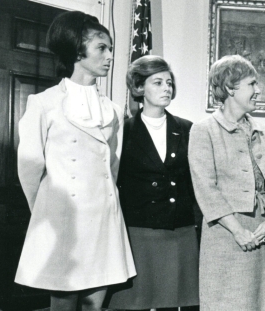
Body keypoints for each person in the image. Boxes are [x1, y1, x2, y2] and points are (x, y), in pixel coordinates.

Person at [15, 11, 135, 311]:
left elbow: (112, 166)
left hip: (104, 219)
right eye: (101, 48)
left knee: (95, 305)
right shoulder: (44, 103)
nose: (109, 56)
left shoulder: (112, 110)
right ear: (77, 51)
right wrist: (49, 213)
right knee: (64, 305)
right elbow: (30, 168)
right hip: (64, 219)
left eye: (110, 48)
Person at [189, 55, 265, 311]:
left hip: (264, 233)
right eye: (252, 84)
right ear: (230, 88)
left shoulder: (264, 131)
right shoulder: (203, 130)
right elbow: (205, 189)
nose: (258, 90)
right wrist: (237, 231)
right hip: (226, 236)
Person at [106, 55, 199, 311]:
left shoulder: (187, 129)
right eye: (157, 82)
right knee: (135, 303)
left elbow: (195, 182)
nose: (166, 88)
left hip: (178, 230)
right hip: (139, 231)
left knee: (173, 303)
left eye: (169, 83)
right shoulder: (123, 130)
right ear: (139, 87)